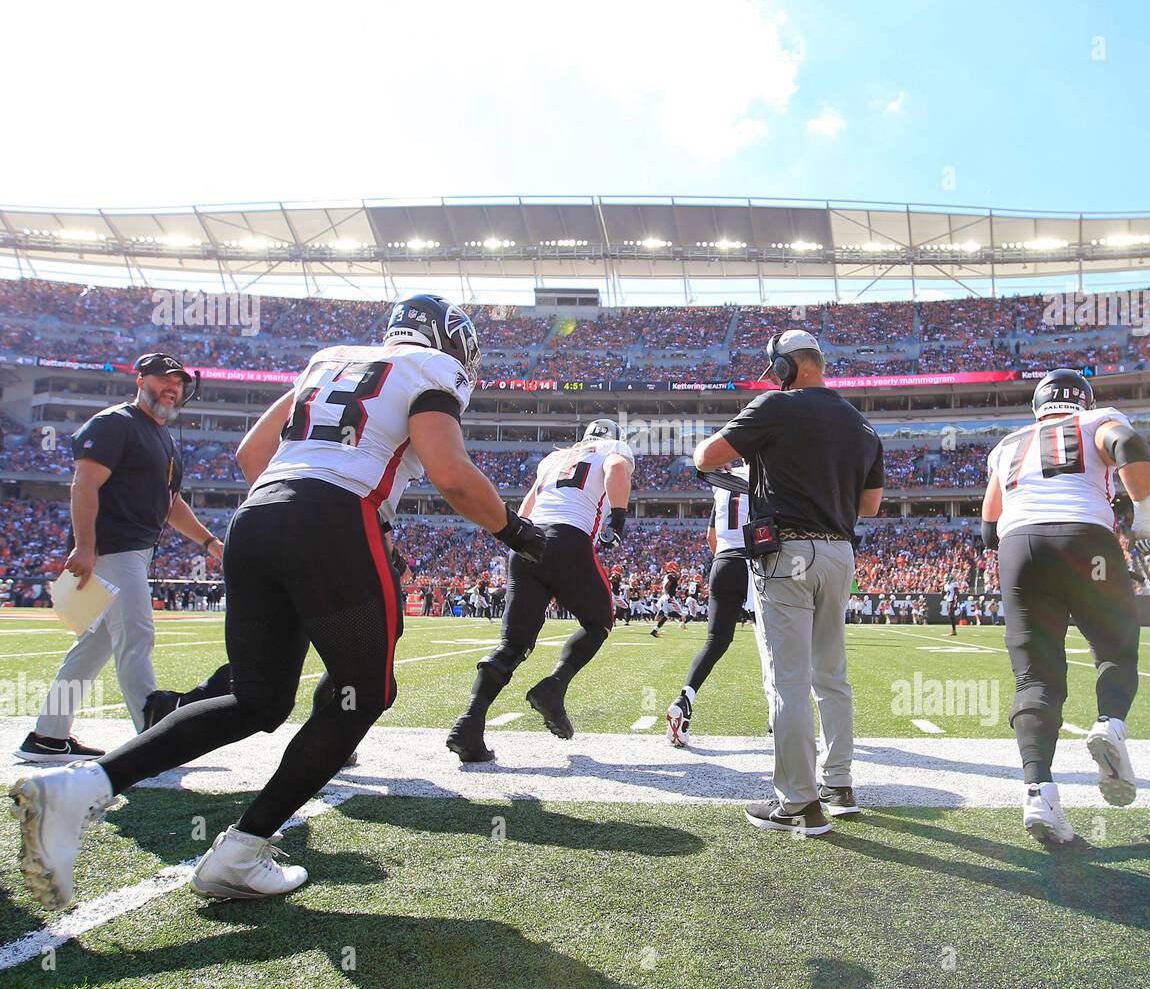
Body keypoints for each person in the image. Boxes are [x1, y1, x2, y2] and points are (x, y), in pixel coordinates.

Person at [11, 294, 546, 910]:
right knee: (363, 692)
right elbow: (450, 474)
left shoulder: (329, 359)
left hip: (257, 517)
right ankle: (242, 850)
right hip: (334, 517)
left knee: (255, 698)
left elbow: (249, 455)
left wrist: (301, 514)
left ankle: (83, 788)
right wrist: (519, 534)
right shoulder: (432, 371)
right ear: (448, 340)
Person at [694, 329, 883, 835]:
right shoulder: (863, 426)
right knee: (832, 674)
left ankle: (798, 802)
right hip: (840, 553)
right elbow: (869, 506)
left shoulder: (775, 407)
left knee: (789, 679)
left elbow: (705, 458)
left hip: (790, 551)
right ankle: (838, 785)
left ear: (785, 367)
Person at [981, 368, 1150, 847]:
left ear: (1038, 405)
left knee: (1036, 678)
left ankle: (1039, 791)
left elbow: (987, 523)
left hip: (1017, 547)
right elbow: (1128, 446)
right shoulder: (1097, 419)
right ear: (1082, 400)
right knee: (1115, 648)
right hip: (1084, 538)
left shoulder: (1008, 443)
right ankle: (1110, 724)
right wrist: (1145, 513)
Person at [14, 353, 223, 763]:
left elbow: (169, 502)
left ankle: (47, 736)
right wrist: (86, 545)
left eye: (179, 382)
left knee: (94, 646)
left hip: (134, 549)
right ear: (140, 379)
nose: (172, 387)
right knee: (136, 635)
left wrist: (209, 543)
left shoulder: (162, 436)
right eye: (164, 378)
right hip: (113, 548)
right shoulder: (115, 422)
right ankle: (153, 739)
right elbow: (84, 484)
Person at [445, 418, 634, 763]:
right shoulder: (613, 450)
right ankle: (555, 687)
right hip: (569, 540)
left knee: (512, 645)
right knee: (599, 621)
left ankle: (470, 723)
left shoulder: (555, 459)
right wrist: (618, 518)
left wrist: (518, 544)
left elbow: (526, 508)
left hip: (527, 542)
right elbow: (618, 466)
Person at [667, 463, 754, 747]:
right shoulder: (768, 476)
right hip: (754, 565)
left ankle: (685, 698)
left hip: (723, 562)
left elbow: (710, 537)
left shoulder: (722, 483)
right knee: (774, 643)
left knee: (715, 641)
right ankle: (778, 719)